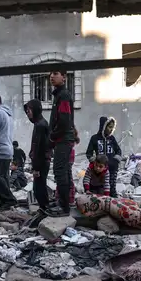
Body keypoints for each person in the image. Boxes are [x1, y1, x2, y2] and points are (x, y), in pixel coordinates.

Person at [48, 70, 76, 216]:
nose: (51, 76)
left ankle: (64, 207)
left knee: (60, 171)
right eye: (50, 74)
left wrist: (53, 135)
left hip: (63, 140)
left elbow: (64, 121)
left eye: (55, 73)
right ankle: (62, 202)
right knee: (62, 171)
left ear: (64, 77)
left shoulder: (63, 95)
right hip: (63, 139)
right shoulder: (59, 95)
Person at [25, 99, 51, 213]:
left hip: (41, 161)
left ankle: (44, 209)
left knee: (38, 188)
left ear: (35, 110)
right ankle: (44, 208)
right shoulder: (40, 123)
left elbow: (39, 148)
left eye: (29, 110)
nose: (27, 113)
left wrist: (36, 167)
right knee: (40, 186)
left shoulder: (40, 125)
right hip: (42, 160)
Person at [86, 116, 122, 197]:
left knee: (111, 186)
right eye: (109, 127)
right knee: (100, 187)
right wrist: (95, 163)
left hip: (112, 167)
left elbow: (118, 151)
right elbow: (89, 153)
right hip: (100, 168)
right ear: (103, 127)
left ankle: (112, 197)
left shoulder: (112, 138)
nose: (111, 129)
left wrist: (115, 161)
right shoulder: (94, 138)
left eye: (112, 127)